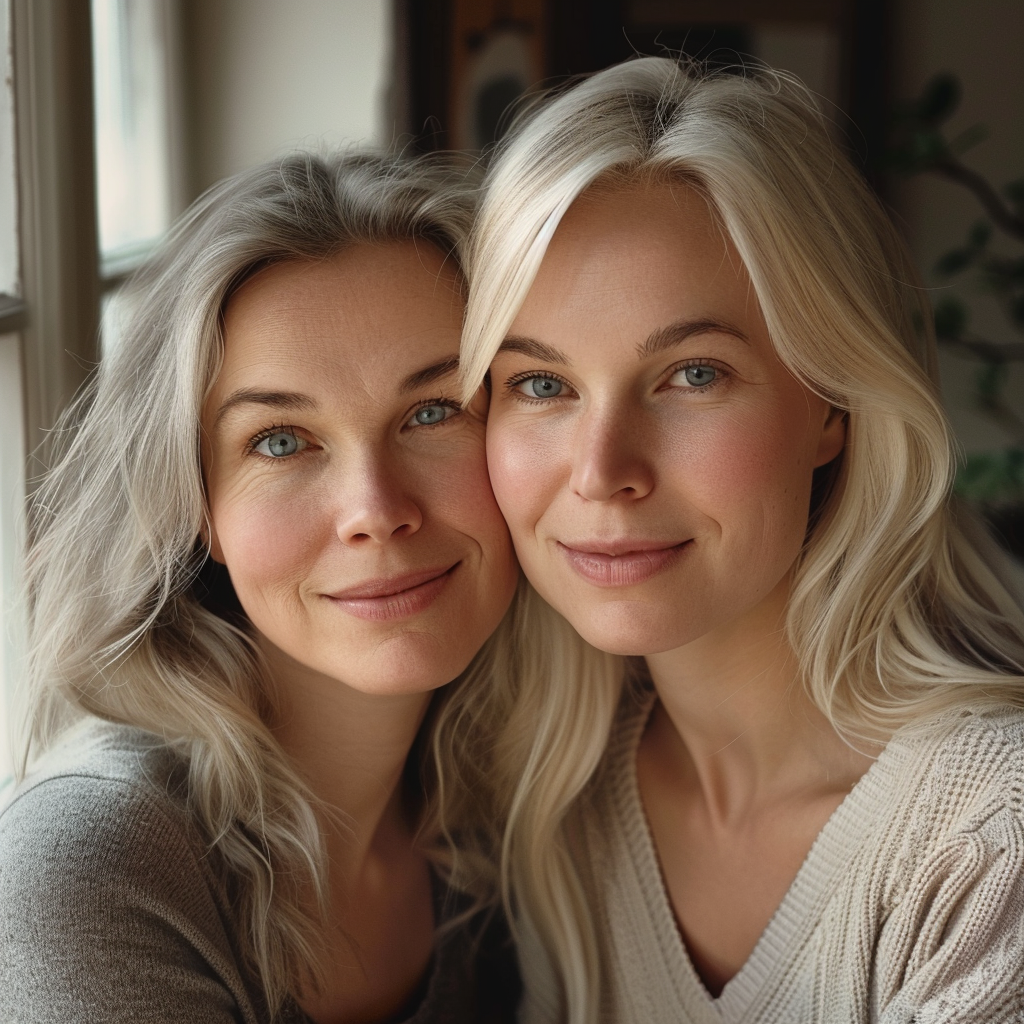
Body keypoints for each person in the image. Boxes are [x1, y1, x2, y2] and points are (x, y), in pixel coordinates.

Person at [460, 57, 1024, 1024]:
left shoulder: (988, 836)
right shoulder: (562, 799)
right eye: (541, 385)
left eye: (692, 375)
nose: (602, 470)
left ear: (834, 405)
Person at [0, 151, 524, 1023]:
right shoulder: (90, 867)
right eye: (280, 441)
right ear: (196, 501)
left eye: (434, 411)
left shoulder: (512, 818)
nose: (375, 510)